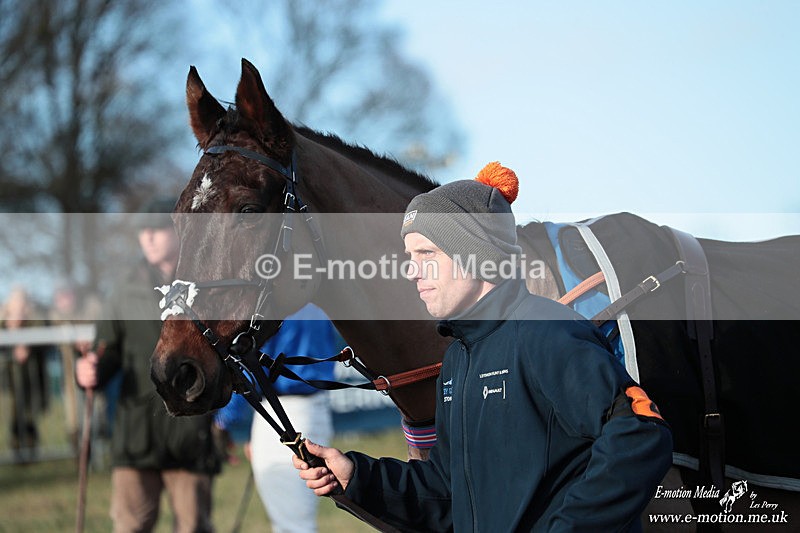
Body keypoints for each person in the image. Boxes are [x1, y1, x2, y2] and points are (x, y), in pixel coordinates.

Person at [293, 162, 674, 531]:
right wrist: (358, 478)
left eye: (426, 254)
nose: (411, 271)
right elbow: (447, 494)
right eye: (410, 257)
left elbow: (640, 433)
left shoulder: (546, 331)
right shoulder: (457, 359)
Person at [75, 198, 221, 533]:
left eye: (156, 229)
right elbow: (105, 352)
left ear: (178, 230)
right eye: (143, 231)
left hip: (190, 431)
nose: (149, 238)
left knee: (193, 526)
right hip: (136, 435)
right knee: (130, 526)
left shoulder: (208, 285)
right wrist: (87, 373)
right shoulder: (123, 290)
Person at [215, 303, 338, 533]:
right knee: (293, 521)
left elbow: (247, 363)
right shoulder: (314, 298)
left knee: (292, 525)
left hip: (285, 410)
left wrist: (224, 421)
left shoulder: (273, 302)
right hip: (307, 408)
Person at [0, 286, 50, 463]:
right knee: (13, 415)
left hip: (30, 381)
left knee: (29, 415)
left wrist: (26, 345)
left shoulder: (34, 321)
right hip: (9, 382)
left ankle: (31, 451)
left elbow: (44, 335)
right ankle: (16, 452)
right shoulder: (3, 323)